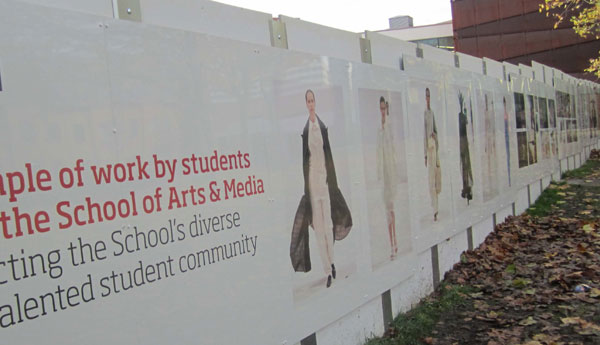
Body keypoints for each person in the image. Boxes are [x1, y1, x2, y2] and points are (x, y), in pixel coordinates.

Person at [290, 89, 352, 288]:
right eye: (307, 101)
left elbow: (328, 156)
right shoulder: (306, 131)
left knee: (328, 226)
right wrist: (307, 189)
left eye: (312, 100)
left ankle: (332, 261)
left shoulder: (322, 127)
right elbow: (304, 161)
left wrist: (332, 183)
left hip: (325, 183)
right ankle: (327, 270)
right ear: (305, 104)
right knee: (318, 230)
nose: (310, 103)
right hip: (313, 185)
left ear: (315, 102)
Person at [376, 97, 398, 259]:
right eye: (380, 109)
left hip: (391, 173)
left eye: (384, 108)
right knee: (387, 209)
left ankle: (395, 242)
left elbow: (393, 148)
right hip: (384, 175)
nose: (382, 111)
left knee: (391, 208)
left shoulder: (390, 127)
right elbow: (378, 151)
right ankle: (392, 243)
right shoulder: (379, 128)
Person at [424, 88, 441, 221]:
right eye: (426, 96)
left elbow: (435, 130)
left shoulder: (432, 113)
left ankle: (436, 208)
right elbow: (424, 134)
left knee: (436, 178)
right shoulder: (425, 114)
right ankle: (433, 208)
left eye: (429, 96)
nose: (428, 98)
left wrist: (435, 138)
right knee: (431, 180)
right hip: (429, 150)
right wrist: (425, 154)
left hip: (434, 148)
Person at [458, 92, 473, 203]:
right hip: (462, 140)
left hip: (464, 140)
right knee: (464, 165)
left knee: (466, 164)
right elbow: (463, 124)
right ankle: (465, 186)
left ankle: (468, 186)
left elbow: (466, 122)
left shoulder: (462, 115)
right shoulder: (460, 115)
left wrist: (466, 113)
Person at [503, 97, 512, 187]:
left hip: (507, 138)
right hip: (503, 138)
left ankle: (509, 180)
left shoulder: (507, 114)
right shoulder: (503, 114)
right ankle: (508, 180)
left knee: (508, 158)